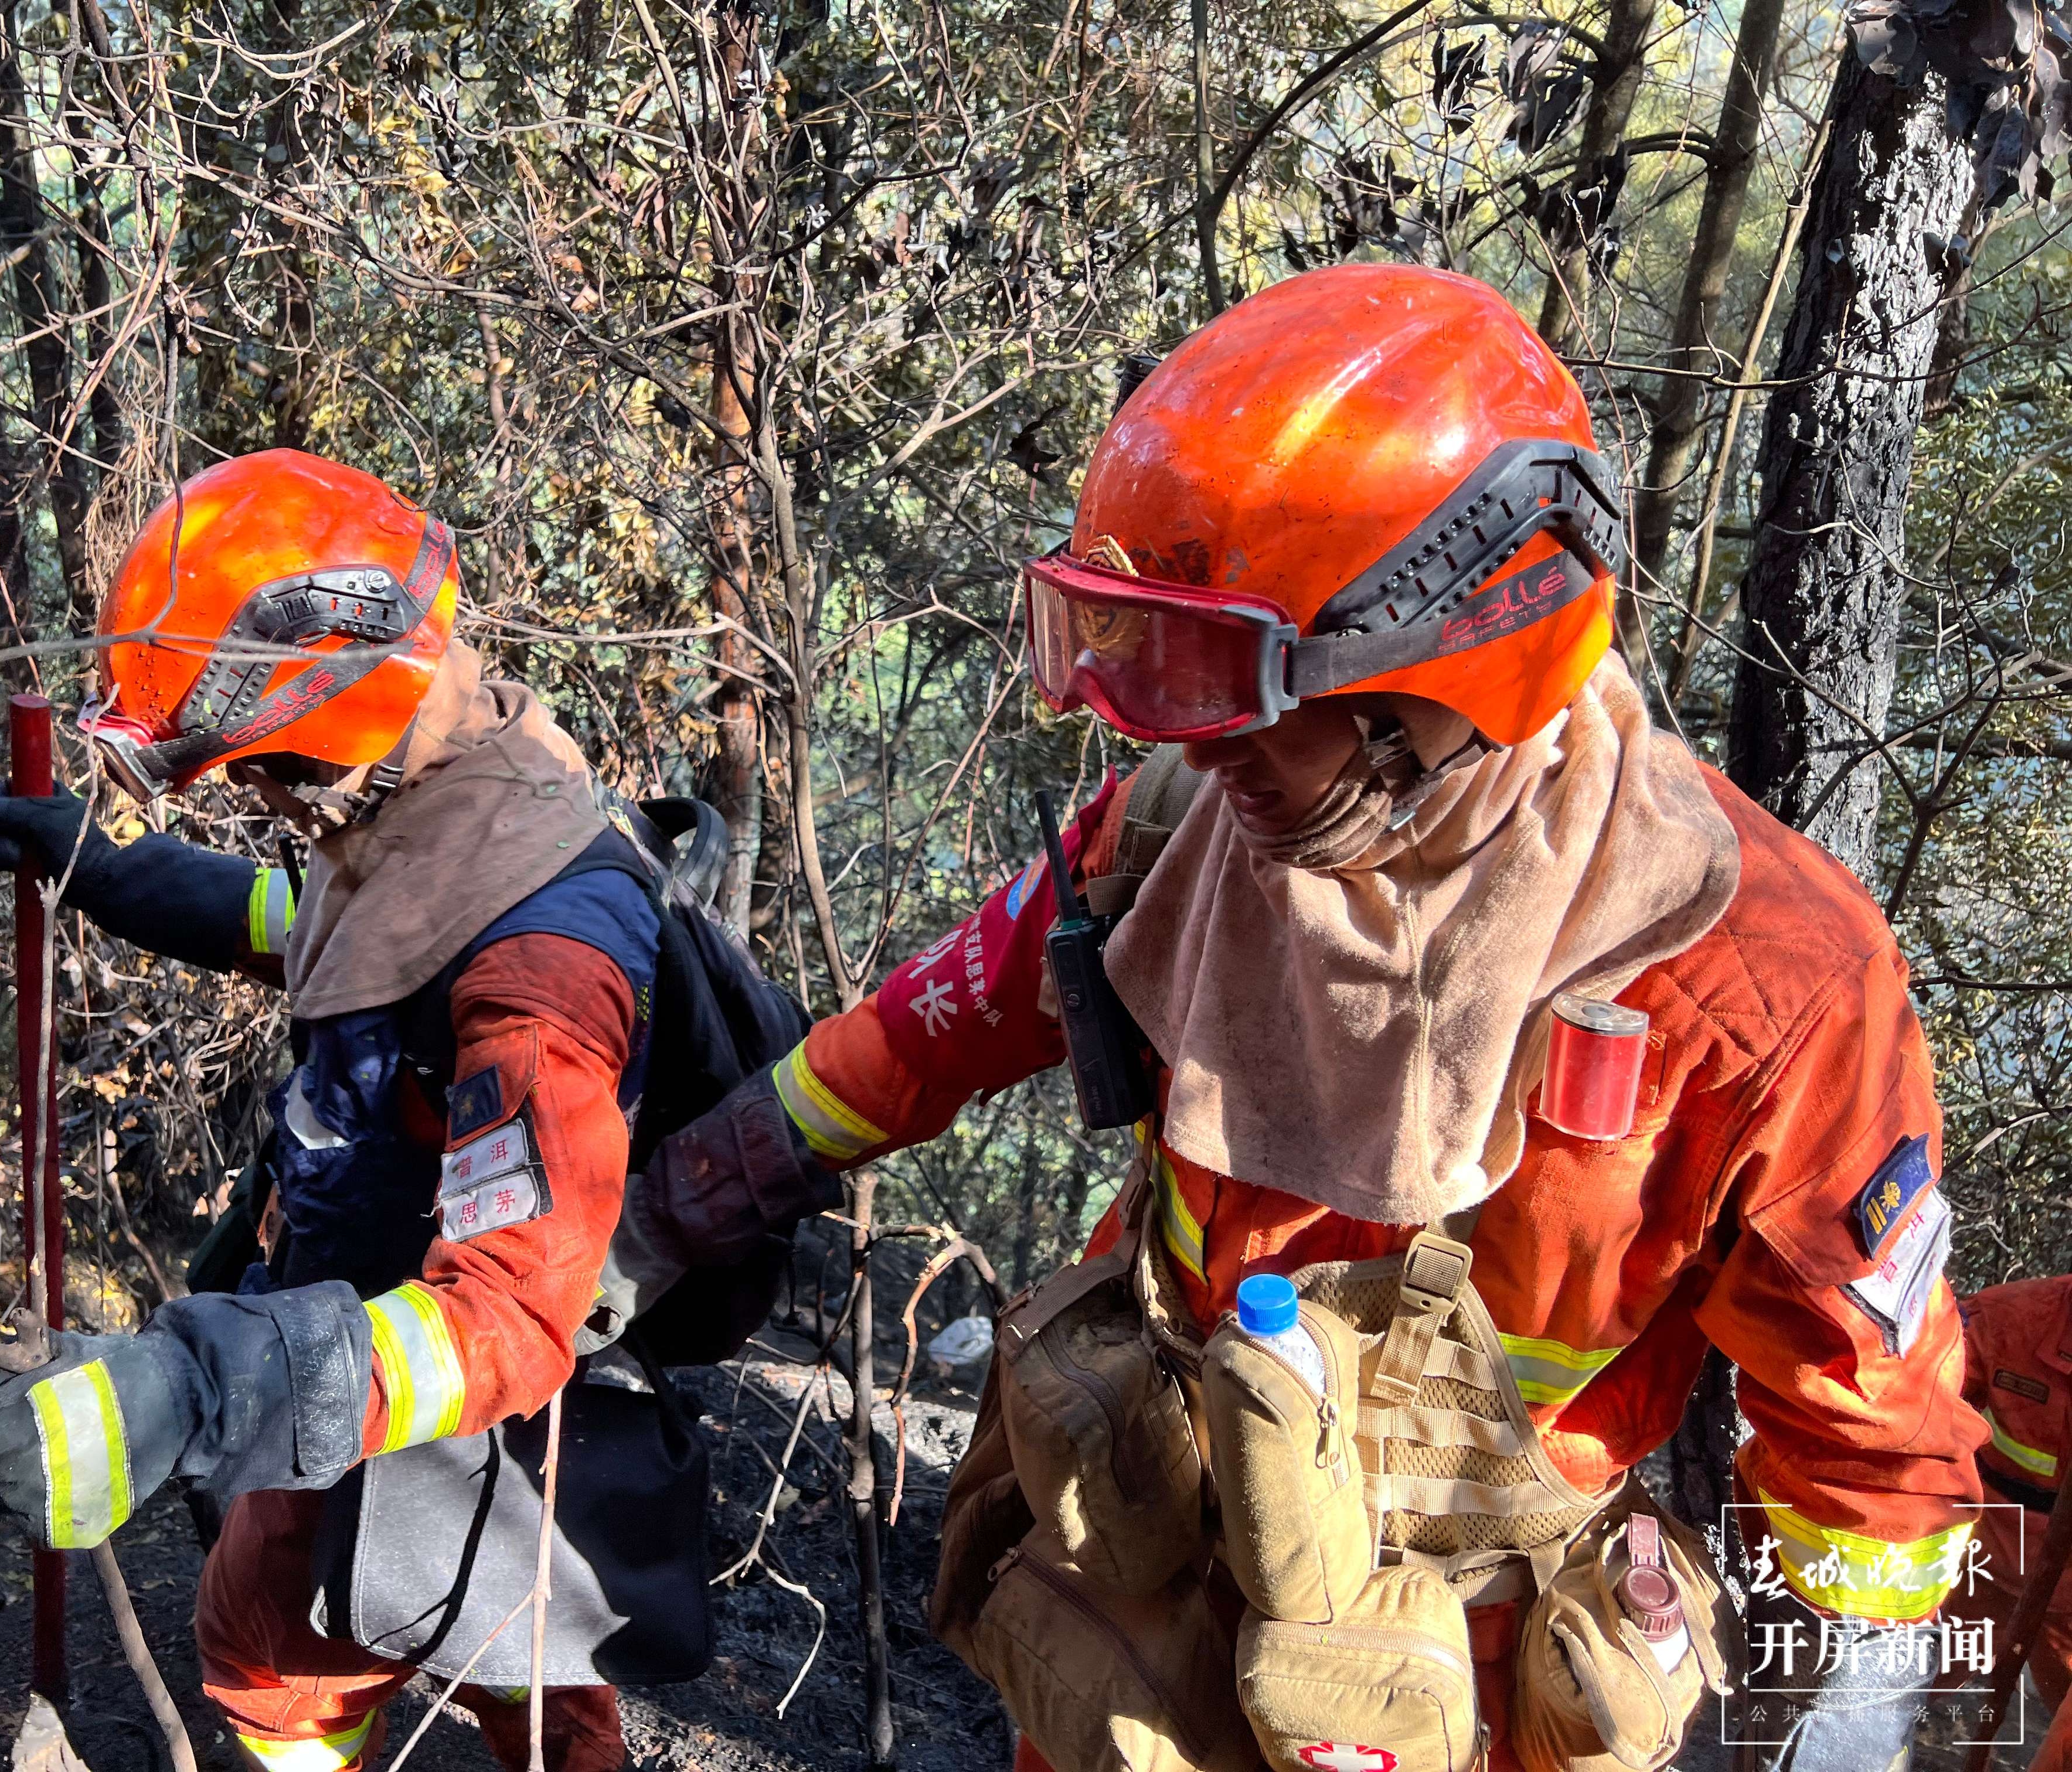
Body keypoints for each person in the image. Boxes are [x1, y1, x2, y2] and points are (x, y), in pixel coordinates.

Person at [753, 266, 1985, 1772]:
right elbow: (939, 1021)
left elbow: (1873, 1438)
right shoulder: (1189, 838)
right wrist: (707, 1179)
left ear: (1454, 661)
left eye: (1235, 680)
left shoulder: (1767, 988)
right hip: (1147, 1601)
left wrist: (1858, 1717)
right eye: (1158, 671)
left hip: (1456, 1680)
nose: (1198, 745)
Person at [0, 449, 831, 1772]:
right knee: (524, 1656)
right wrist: (99, 866)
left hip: (409, 1371)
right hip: (370, 1335)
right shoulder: (443, 796)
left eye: (253, 765)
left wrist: (199, 1383)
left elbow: (511, 1313)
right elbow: (314, 928)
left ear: (329, 711)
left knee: (279, 1656)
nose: (251, 794)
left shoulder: (540, 961)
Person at [1954, 1276, 2072, 1771]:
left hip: (2067, 1599)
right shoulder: (2005, 1320)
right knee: (1886, 1685)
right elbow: (1920, 1414)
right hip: (1980, 1561)